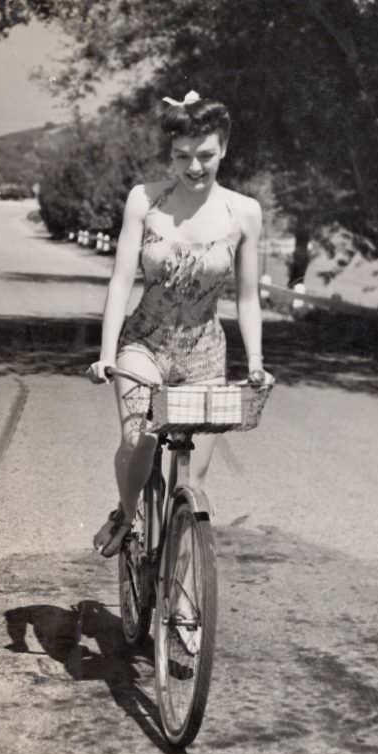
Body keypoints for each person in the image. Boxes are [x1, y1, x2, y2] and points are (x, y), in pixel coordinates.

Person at [88, 91, 271, 556]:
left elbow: (248, 298)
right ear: (170, 153)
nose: (194, 167)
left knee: (191, 480)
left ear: (224, 148)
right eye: (182, 156)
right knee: (139, 439)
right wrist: (107, 354)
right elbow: (120, 282)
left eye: (205, 155)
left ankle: (179, 583)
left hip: (205, 352)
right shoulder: (144, 200)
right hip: (144, 345)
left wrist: (255, 362)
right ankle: (127, 514)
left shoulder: (244, 212)